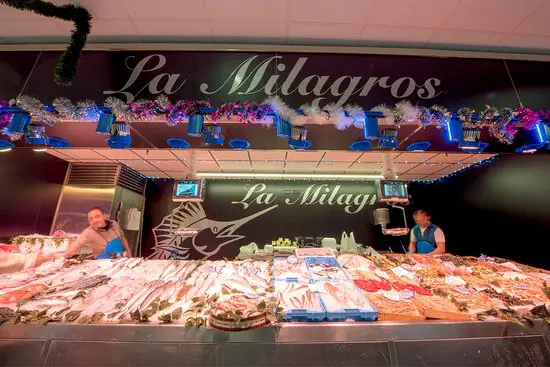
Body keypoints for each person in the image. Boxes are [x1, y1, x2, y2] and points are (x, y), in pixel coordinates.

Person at [65, 207, 132, 259]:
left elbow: (122, 238)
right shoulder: (88, 232)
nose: (95, 220)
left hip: (121, 258)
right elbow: (77, 245)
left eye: (97, 216)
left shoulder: (114, 224)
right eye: (91, 218)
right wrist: (70, 252)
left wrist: (128, 251)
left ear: (104, 216)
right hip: (103, 262)